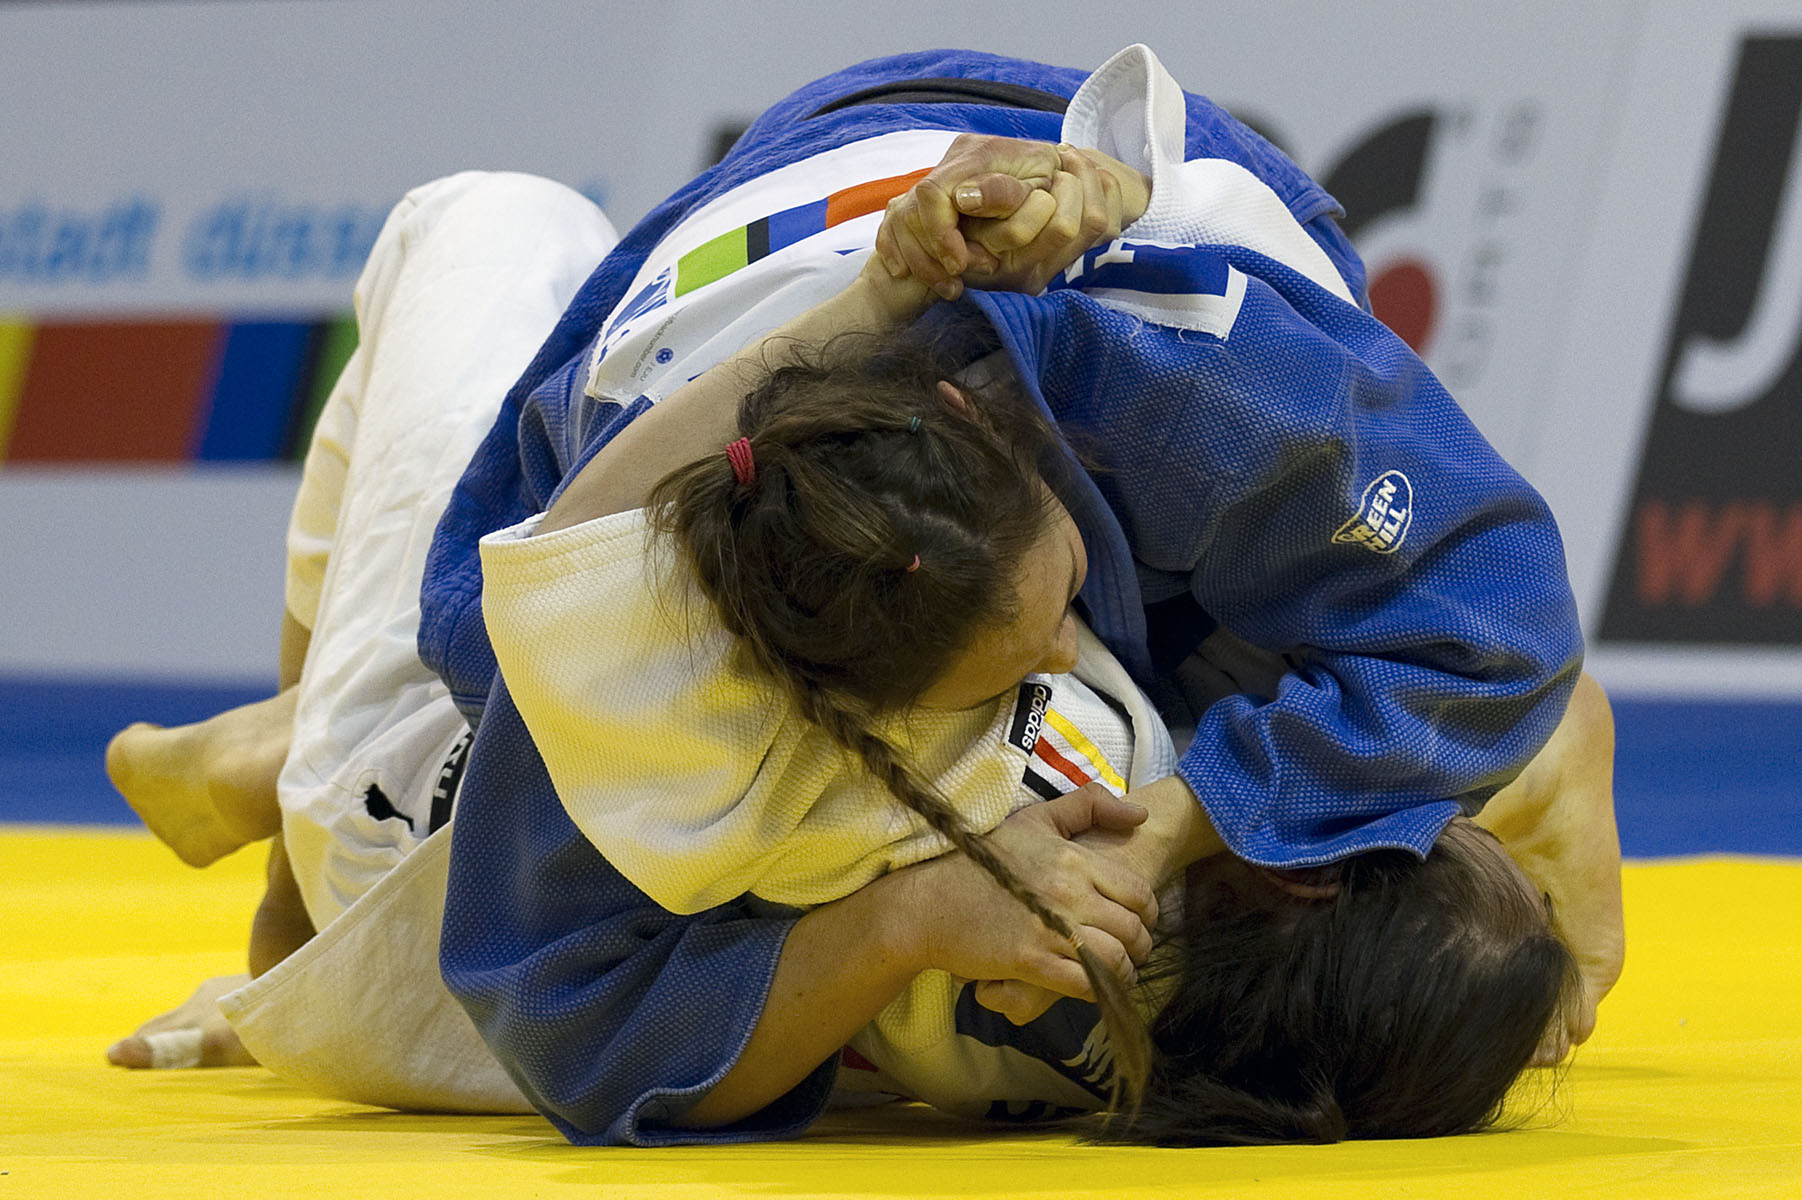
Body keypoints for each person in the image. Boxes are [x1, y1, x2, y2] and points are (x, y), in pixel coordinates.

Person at [103, 169, 1574, 1144]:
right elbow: (1470, 663)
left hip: (417, 832)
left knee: (489, 219)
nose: (1068, 631)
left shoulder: (700, 679)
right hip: (564, 847)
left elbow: (580, 1017)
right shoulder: (1132, 974)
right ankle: (282, 760)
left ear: (1304, 876)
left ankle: (288, 774)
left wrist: (878, 297)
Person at [413, 44, 1617, 1144]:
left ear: (986, 426)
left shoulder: (1161, 384)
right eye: (1024, 654)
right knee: (461, 647)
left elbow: (1503, 616)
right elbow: (559, 1011)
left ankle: (1453, 732)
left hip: (1034, 294)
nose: (1053, 652)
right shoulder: (634, 655)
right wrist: (902, 921)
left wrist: (1180, 818)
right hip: (812, 205)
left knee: (1432, 647)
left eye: (1058, 603)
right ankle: (1465, 735)